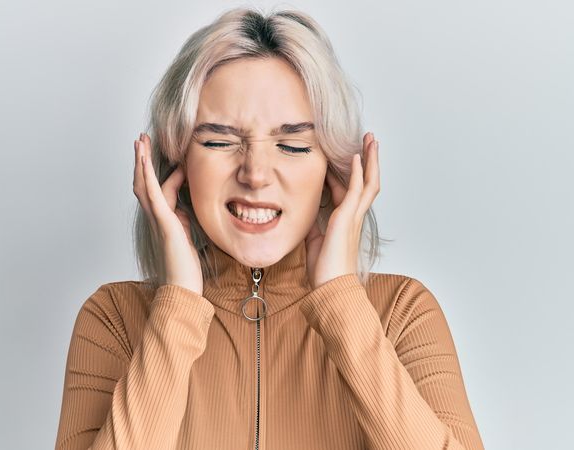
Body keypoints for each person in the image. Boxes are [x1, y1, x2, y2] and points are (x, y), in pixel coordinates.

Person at [55, 6, 484, 450]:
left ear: (332, 169)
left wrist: (342, 304)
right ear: (178, 163)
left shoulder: (401, 312)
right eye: (220, 140)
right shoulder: (115, 319)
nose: (256, 174)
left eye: (293, 144)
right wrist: (178, 305)